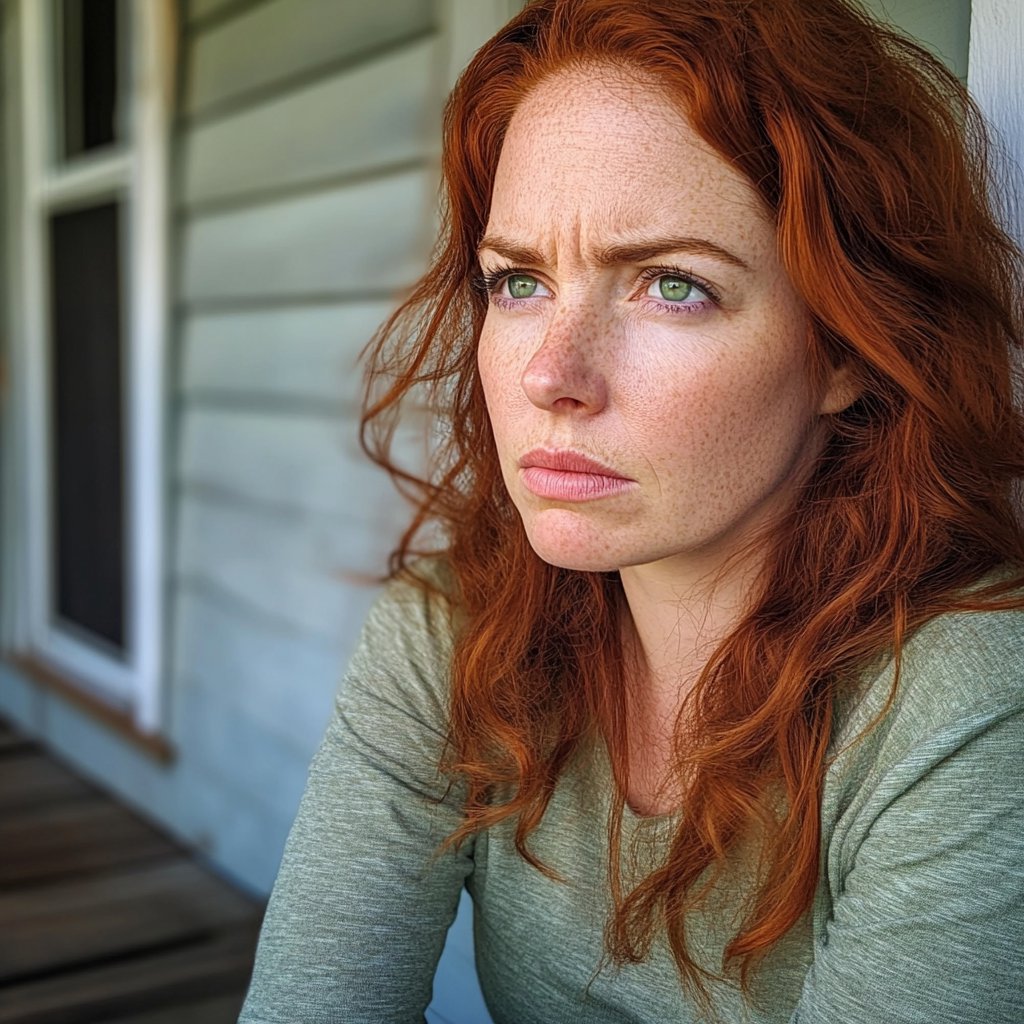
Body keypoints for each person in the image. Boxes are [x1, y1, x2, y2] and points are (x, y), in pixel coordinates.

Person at [238, 1, 1024, 1021]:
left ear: (842, 346)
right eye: (517, 281)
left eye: (671, 286)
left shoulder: (967, 700)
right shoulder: (458, 622)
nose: (552, 376)